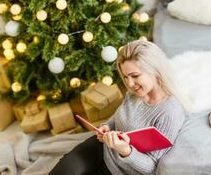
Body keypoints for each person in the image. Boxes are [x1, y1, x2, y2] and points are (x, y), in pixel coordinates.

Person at [49, 40, 186, 175]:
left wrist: (125, 150)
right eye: (125, 77)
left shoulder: (170, 113)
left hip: (121, 170)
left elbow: (151, 167)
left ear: (155, 70)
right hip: (103, 148)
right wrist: (107, 126)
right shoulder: (135, 93)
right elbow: (119, 115)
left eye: (135, 76)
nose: (130, 84)